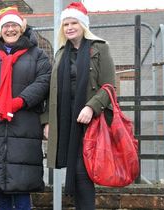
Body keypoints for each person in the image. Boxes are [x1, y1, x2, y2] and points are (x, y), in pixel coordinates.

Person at [0, 6, 51, 210]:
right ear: (0, 30)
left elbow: (43, 82)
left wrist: (19, 101)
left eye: (14, 25)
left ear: (22, 28)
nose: (10, 30)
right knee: (0, 184)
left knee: (22, 184)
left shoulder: (38, 55)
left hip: (24, 124)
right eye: (6, 26)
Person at [42, 2, 116, 209]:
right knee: (74, 171)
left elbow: (110, 86)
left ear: (83, 25)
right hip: (66, 120)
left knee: (83, 172)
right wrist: (47, 121)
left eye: (74, 22)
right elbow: (52, 90)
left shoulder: (100, 48)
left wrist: (91, 107)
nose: (69, 27)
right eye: (66, 24)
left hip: (90, 121)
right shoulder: (60, 53)